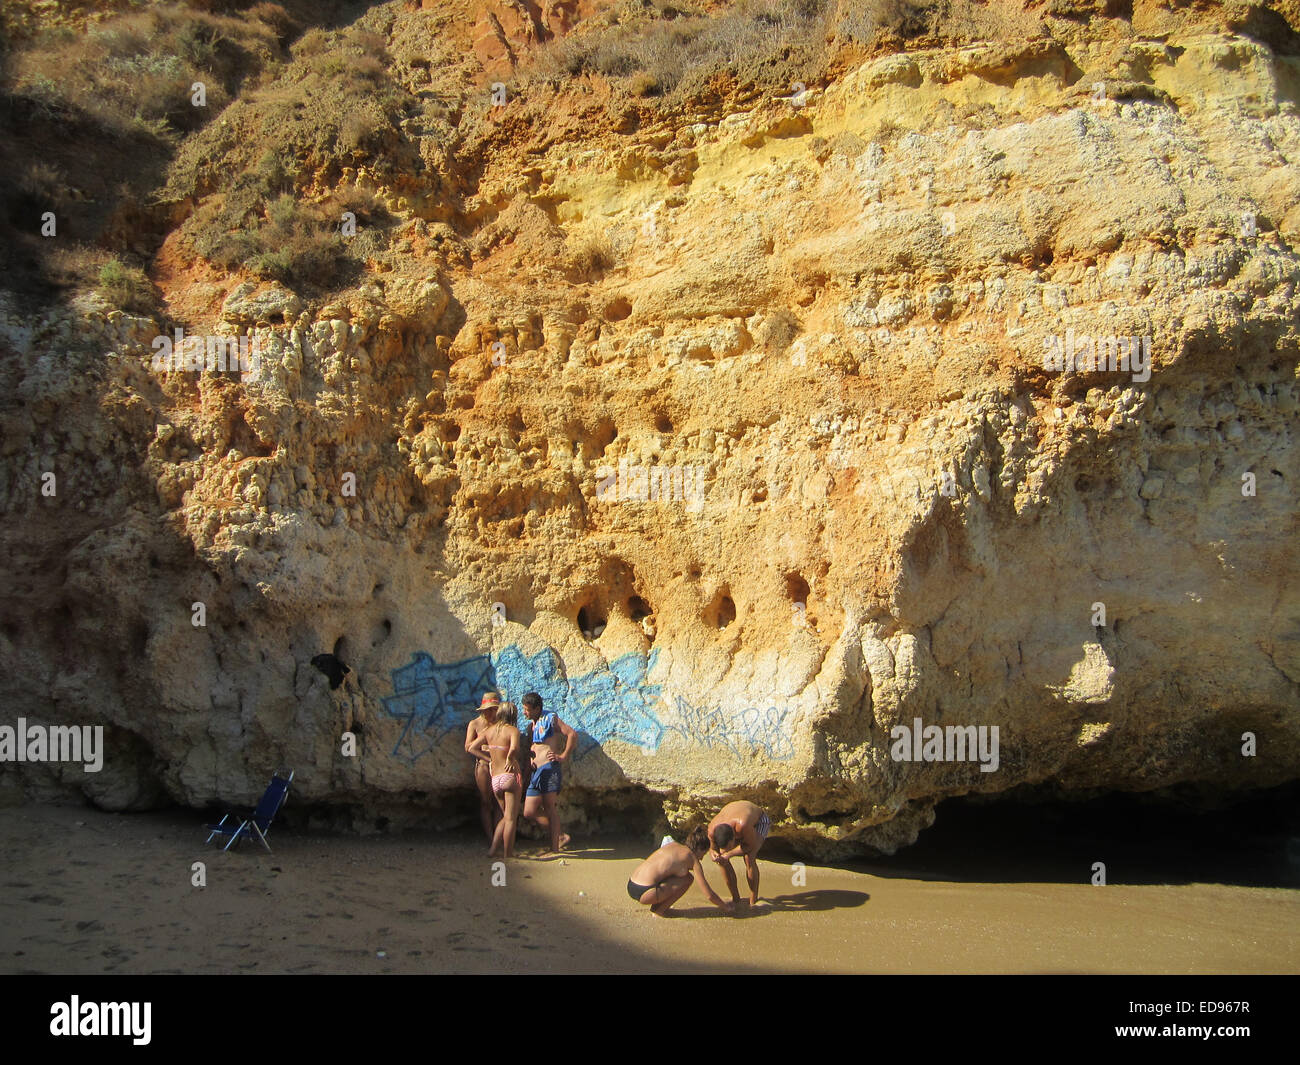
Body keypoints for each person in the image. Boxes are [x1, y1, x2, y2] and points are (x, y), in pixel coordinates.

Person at [628, 826, 733, 917]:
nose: (701, 858)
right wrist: (725, 907)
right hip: (645, 892)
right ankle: (659, 911)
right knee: (688, 879)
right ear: (700, 849)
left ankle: (658, 907)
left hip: (632, 884)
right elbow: (708, 894)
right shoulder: (692, 859)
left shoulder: (672, 844)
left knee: (675, 874)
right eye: (703, 854)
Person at [520, 692, 575, 853]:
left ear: (537, 708)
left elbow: (572, 734)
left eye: (527, 709)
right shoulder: (532, 725)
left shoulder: (551, 719)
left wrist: (563, 756)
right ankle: (560, 835)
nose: (525, 712)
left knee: (549, 807)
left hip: (549, 769)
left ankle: (555, 849)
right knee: (529, 811)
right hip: (535, 772)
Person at [472, 701, 523, 859]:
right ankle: (508, 854)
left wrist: (489, 760)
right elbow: (513, 748)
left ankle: (493, 850)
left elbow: (472, 747)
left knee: (504, 816)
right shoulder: (512, 730)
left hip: (496, 779)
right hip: (509, 776)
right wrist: (510, 758)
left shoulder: (489, 731)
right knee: (511, 819)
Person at [707, 800, 771, 909]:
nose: (728, 849)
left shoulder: (742, 825)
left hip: (760, 821)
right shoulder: (712, 830)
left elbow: (749, 846)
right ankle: (736, 899)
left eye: (729, 846)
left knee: (749, 857)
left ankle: (753, 900)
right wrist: (714, 855)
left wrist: (729, 854)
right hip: (735, 821)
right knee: (722, 860)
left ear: (734, 837)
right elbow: (712, 849)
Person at [464, 692, 501, 842]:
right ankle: (490, 837)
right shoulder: (475, 724)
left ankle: (499, 838)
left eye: (494, 709)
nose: (492, 712)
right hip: (484, 765)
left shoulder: (500, 723)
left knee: (500, 802)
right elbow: (468, 746)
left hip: (499, 766)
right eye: (489, 709)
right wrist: (486, 755)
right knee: (486, 801)